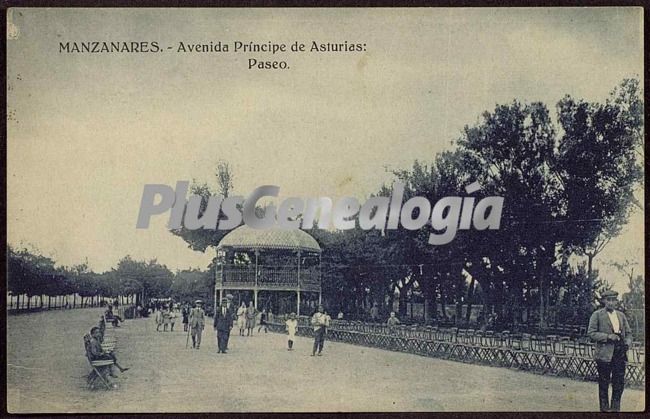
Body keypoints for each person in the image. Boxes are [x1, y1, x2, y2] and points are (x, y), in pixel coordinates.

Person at [588, 289, 633, 412]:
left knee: (619, 383)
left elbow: (629, 333)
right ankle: (604, 410)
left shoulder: (621, 315)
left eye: (613, 300)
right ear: (604, 301)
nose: (611, 303)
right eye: (608, 300)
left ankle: (615, 409)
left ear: (616, 302)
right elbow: (591, 333)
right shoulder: (597, 315)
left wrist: (627, 343)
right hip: (604, 354)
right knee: (604, 383)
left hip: (620, 353)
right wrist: (607, 337)